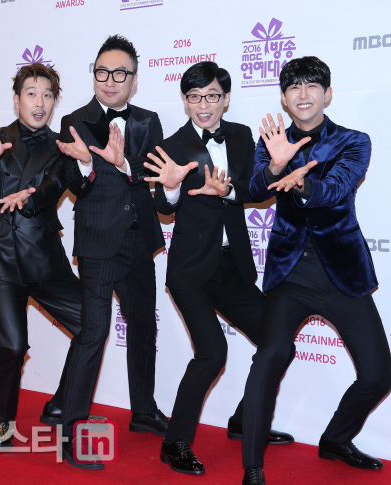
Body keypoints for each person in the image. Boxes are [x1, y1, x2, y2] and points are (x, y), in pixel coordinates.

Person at [240, 56, 391, 485]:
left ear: (328, 94)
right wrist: (275, 166)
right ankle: (252, 467)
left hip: (342, 273)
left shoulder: (354, 141)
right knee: (268, 357)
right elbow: (253, 189)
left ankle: (335, 440)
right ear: (284, 98)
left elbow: (337, 188)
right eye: (294, 87)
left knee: (379, 373)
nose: (303, 94)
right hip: (291, 274)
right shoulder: (271, 142)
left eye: (312, 86)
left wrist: (302, 182)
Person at [145, 62, 294, 475]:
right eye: (194, 97)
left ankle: (245, 420)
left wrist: (234, 188)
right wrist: (170, 188)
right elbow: (163, 208)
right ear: (185, 101)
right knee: (213, 352)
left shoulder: (242, 136)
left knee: (279, 343)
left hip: (232, 267)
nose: (203, 105)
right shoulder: (172, 145)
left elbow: (254, 190)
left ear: (225, 98)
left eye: (211, 95)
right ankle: (174, 442)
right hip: (190, 272)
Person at [55, 34, 167, 469]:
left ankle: (144, 410)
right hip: (99, 244)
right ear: (94, 76)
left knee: (143, 328)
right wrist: (85, 163)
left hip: (139, 241)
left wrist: (123, 164)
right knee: (94, 333)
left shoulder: (148, 121)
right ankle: (71, 433)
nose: (110, 80)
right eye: (102, 72)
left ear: (134, 81)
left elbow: (153, 172)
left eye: (120, 73)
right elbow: (74, 184)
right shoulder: (75, 121)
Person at [0, 63, 84, 450]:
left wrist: (30, 197)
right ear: (16, 100)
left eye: (48, 95)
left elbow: (57, 184)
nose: (40, 102)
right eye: (32, 94)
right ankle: (2, 422)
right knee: (12, 347)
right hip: (0, 257)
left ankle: (62, 403)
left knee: (91, 325)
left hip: (45, 258)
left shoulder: (62, 144)